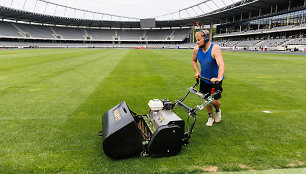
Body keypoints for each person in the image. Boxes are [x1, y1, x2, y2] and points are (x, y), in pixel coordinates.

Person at [192, 30, 225, 126]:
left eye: (199, 40)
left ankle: (218, 110)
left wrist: (219, 78)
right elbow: (194, 61)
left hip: (215, 81)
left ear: (206, 39)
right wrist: (197, 72)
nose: (197, 42)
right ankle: (210, 117)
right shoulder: (196, 49)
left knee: (214, 101)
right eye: (196, 40)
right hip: (204, 79)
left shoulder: (215, 48)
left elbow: (221, 64)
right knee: (206, 100)